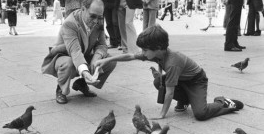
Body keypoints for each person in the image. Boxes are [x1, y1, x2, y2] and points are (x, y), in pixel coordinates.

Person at [94, 25, 244, 120]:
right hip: (182, 80)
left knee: (200, 114)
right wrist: (107, 60)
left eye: (145, 50)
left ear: (158, 47)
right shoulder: (156, 53)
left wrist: (162, 115)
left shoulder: (172, 62)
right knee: (158, 81)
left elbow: (169, 93)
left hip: (197, 80)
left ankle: (222, 102)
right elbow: (130, 56)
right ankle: (185, 100)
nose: (142, 53)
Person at [41, 0, 117, 104]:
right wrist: (86, 72)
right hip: (64, 56)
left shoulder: (98, 21)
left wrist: (97, 57)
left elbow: (102, 45)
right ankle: (61, 89)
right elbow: (75, 51)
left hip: (82, 54)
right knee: (69, 62)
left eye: (99, 17)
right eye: (93, 16)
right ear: (83, 9)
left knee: (110, 60)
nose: (96, 21)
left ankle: (81, 83)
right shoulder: (70, 23)